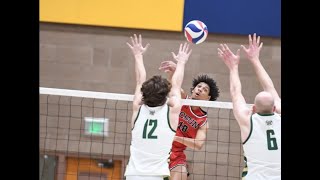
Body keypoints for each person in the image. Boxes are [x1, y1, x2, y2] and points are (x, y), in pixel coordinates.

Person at [124, 34, 193, 180]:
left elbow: (139, 80)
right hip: (155, 176)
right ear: (165, 95)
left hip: (132, 176)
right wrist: (181, 62)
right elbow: (177, 85)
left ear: (144, 94)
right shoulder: (171, 112)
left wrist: (137, 55)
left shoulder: (138, 107)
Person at [217, 33, 281, 180]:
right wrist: (255, 59)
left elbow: (235, 93)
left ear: (253, 109)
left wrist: (233, 67)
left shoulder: (247, 121)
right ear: (274, 109)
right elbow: (270, 88)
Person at [159, 60, 220, 179]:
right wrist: (174, 72)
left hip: (176, 155)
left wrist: (175, 137)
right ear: (193, 89)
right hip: (160, 146)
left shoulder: (203, 121)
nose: (200, 89)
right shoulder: (181, 98)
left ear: (208, 98)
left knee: (182, 174)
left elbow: (198, 144)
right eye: (199, 86)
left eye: (205, 89)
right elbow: (174, 85)